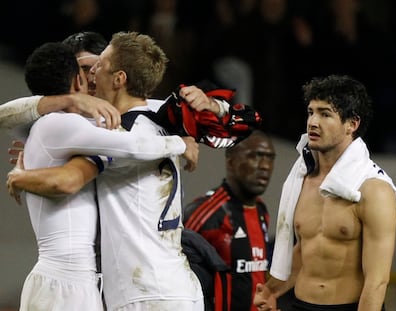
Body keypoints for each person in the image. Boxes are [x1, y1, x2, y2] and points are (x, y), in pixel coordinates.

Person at [7, 31, 236, 311]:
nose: (92, 75)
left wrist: (214, 105)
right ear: (73, 78)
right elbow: (73, 174)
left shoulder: (139, 115)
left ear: (118, 75)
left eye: (97, 66)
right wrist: (179, 143)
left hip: (115, 283)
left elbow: (238, 122)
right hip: (83, 281)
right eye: (84, 69)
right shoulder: (69, 123)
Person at [253, 74, 396, 311]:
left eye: (325, 114)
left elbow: (377, 282)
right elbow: (308, 249)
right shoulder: (301, 179)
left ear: (352, 124)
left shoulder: (374, 190)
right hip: (299, 305)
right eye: (311, 112)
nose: (313, 122)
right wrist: (274, 290)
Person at [183, 129, 276, 311]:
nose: (265, 165)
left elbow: (257, 270)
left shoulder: (261, 210)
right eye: (256, 156)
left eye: (270, 157)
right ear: (231, 161)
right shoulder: (205, 213)